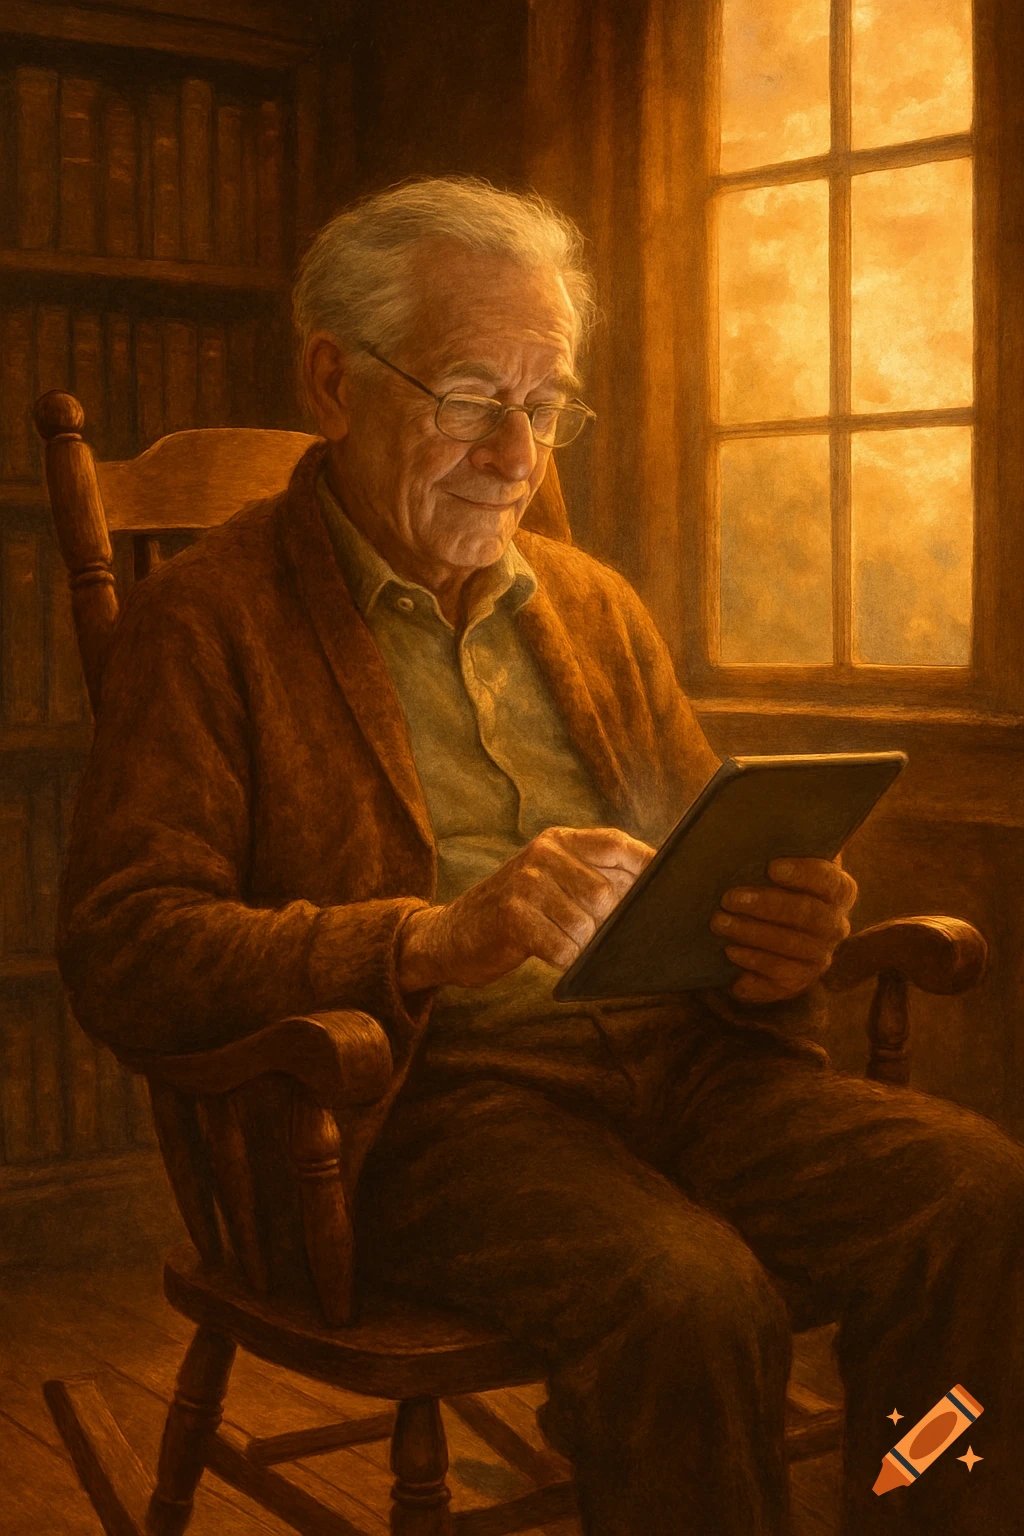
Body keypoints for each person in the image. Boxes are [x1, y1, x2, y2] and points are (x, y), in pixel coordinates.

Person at [58, 177, 1024, 1536]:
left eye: (545, 402)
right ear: (335, 382)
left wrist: (779, 939)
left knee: (981, 1195)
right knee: (690, 1296)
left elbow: (700, 865)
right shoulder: (208, 620)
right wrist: (426, 939)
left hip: (689, 1070)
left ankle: (927, 1499)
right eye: (470, 396)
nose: (517, 453)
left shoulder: (592, 607)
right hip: (432, 1111)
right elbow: (125, 946)